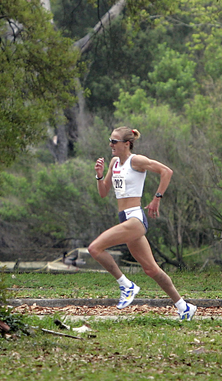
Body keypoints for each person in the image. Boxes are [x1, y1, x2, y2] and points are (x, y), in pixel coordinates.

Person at [89, 127, 196, 321]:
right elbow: (104, 192)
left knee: (95, 248)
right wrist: (99, 175)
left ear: (126, 144)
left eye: (114, 141)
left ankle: (126, 285)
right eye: (110, 141)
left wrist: (157, 198)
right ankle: (184, 306)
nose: (110, 145)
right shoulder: (114, 163)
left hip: (135, 219)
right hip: (125, 218)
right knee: (151, 269)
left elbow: (166, 171)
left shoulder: (136, 161)